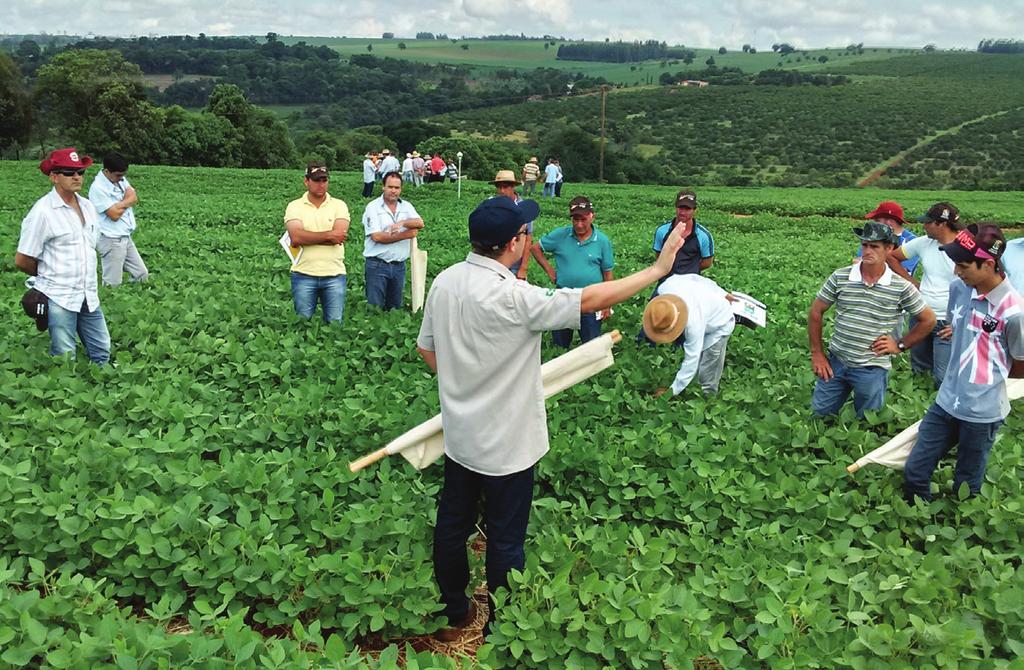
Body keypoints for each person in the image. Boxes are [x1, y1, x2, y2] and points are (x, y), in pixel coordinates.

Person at [416, 195, 686, 640]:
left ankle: (453, 613)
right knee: (504, 539)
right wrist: (658, 271)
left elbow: (428, 349)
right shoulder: (515, 297)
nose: (528, 239)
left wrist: (464, 384)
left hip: (461, 436)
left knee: (452, 525)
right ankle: (500, 629)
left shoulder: (445, 281)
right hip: (509, 444)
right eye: (524, 233)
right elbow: (590, 298)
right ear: (512, 244)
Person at [903, 224, 1024, 502]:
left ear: (989, 264)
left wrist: (986, 381)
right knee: (915, 472)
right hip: (946, 401)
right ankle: (920, 525)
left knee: (966, 484)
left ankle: (958, 526)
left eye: (964, 265)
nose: (957, 272)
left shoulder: (1014, 312)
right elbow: (961, 326)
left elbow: (1020, 364)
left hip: (982, 413)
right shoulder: (959, 288)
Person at [808, 222, 936, 418]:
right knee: (819, 415)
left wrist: (900, 345)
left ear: (889, 248)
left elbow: (928, 320)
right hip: (836, 360)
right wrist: (817, 353)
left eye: (874, 246)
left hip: (872, 367)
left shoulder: (901, 287)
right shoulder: (841, 276)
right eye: (865, 245)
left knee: (867, 419)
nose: (867, 250)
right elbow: (816, 312)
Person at [15, 148, 110, 364]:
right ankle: (65, 392)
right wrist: (50, 274)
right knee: (65, 356)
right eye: (69, 172)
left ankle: (105, 387)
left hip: (88, 294)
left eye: (80, 172)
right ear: (54, 176)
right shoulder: (43, 212)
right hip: (59, 295)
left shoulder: (87, 206)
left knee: (102, 350)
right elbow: (22, 259)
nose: (76, 177)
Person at [886, 202, 961, 386]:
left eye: (928, 222)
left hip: (948, 321)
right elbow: (892, 257)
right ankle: (919, 406)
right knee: (919, 369)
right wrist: (912, 283)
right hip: (921, 315)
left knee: (942, 377)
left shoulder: (966, 248)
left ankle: (941, 410)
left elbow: (980, 288)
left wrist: (962, 322)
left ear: (941, 224)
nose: (923, 225)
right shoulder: (924, 243)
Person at [530, 196, 614, 347]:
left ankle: (591, 368)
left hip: (591, 297)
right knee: (560, 342)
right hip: (564, 296)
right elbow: (535, 248)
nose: (579, 224)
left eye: (583, 219)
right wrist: (550, 270)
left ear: (591, 216)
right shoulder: (561, 235)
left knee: (592, 343)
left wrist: (606, 303)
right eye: (575, 220)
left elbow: (608, 273)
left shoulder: (602, 241)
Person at [646, 274, 736, 397]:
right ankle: (692, 385)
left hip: (720, 321)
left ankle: (708, 397)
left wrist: (672, 392)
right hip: (705, 308)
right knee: (699, 353)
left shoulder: (693, 324)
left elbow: (692, 359)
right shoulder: (665, 287)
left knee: (709, 362)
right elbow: (695, 277)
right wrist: (722, 292)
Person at [284, 162, 350, 324]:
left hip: (334, 274)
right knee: (303, 323)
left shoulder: (339, 205)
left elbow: (339, 236)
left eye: (324, 180)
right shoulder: (294, 206)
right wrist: (329, 236)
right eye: (316, 180)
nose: (321, 184)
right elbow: (296, 238)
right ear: (306, 181)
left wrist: (309, 237)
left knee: (334, 323)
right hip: (303, 274)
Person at [361, 171, 424, 310]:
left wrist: (402, 223)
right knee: (375, 308)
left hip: (398, 266)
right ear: (383, 187)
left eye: (397, 188)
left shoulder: (406, 206)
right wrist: (406, 234)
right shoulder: (373, 207)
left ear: (401, 189)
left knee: (395, 308)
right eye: (390, 187)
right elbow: (376, 237)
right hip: (377, 265)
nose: (393, 191)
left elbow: (420, 223)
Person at [89, 151, 149, 287]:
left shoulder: (119, 179)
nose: (122, 179)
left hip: (125, 236)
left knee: (141, 274)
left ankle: (135, 301)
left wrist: (119, 204)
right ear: (106, 171)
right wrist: (126, 202)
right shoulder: (98, 188)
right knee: (113, 283)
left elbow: (133, 197)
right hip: (111, 238)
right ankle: (111, 304)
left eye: (123, 175)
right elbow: (114, 215)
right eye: (118, 175)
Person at [653, 189, 714, 280]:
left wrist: (689, 270)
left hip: (690, 283)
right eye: (680, 208)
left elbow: (707, 263)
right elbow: (659, 257)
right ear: (675, 207)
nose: (682, 212)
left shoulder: (703, 236)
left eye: (688, 209)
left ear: (694, 210)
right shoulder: (662, 231)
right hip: (666, 280)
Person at [490, 170, 534, 280]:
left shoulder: (524, 208)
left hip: (515, 264)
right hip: (495, 261)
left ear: (513, 186)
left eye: (505, 187)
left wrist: (523, 268)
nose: (502, 191)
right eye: (499, 187)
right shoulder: (491, 205)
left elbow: (528, 239)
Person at [856, 200, 919, 274]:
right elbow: (859, 261)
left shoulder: (912, 242)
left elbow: (903, 272)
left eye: (877, 220)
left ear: (889, 222)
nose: (874, 224)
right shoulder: (872, 237)